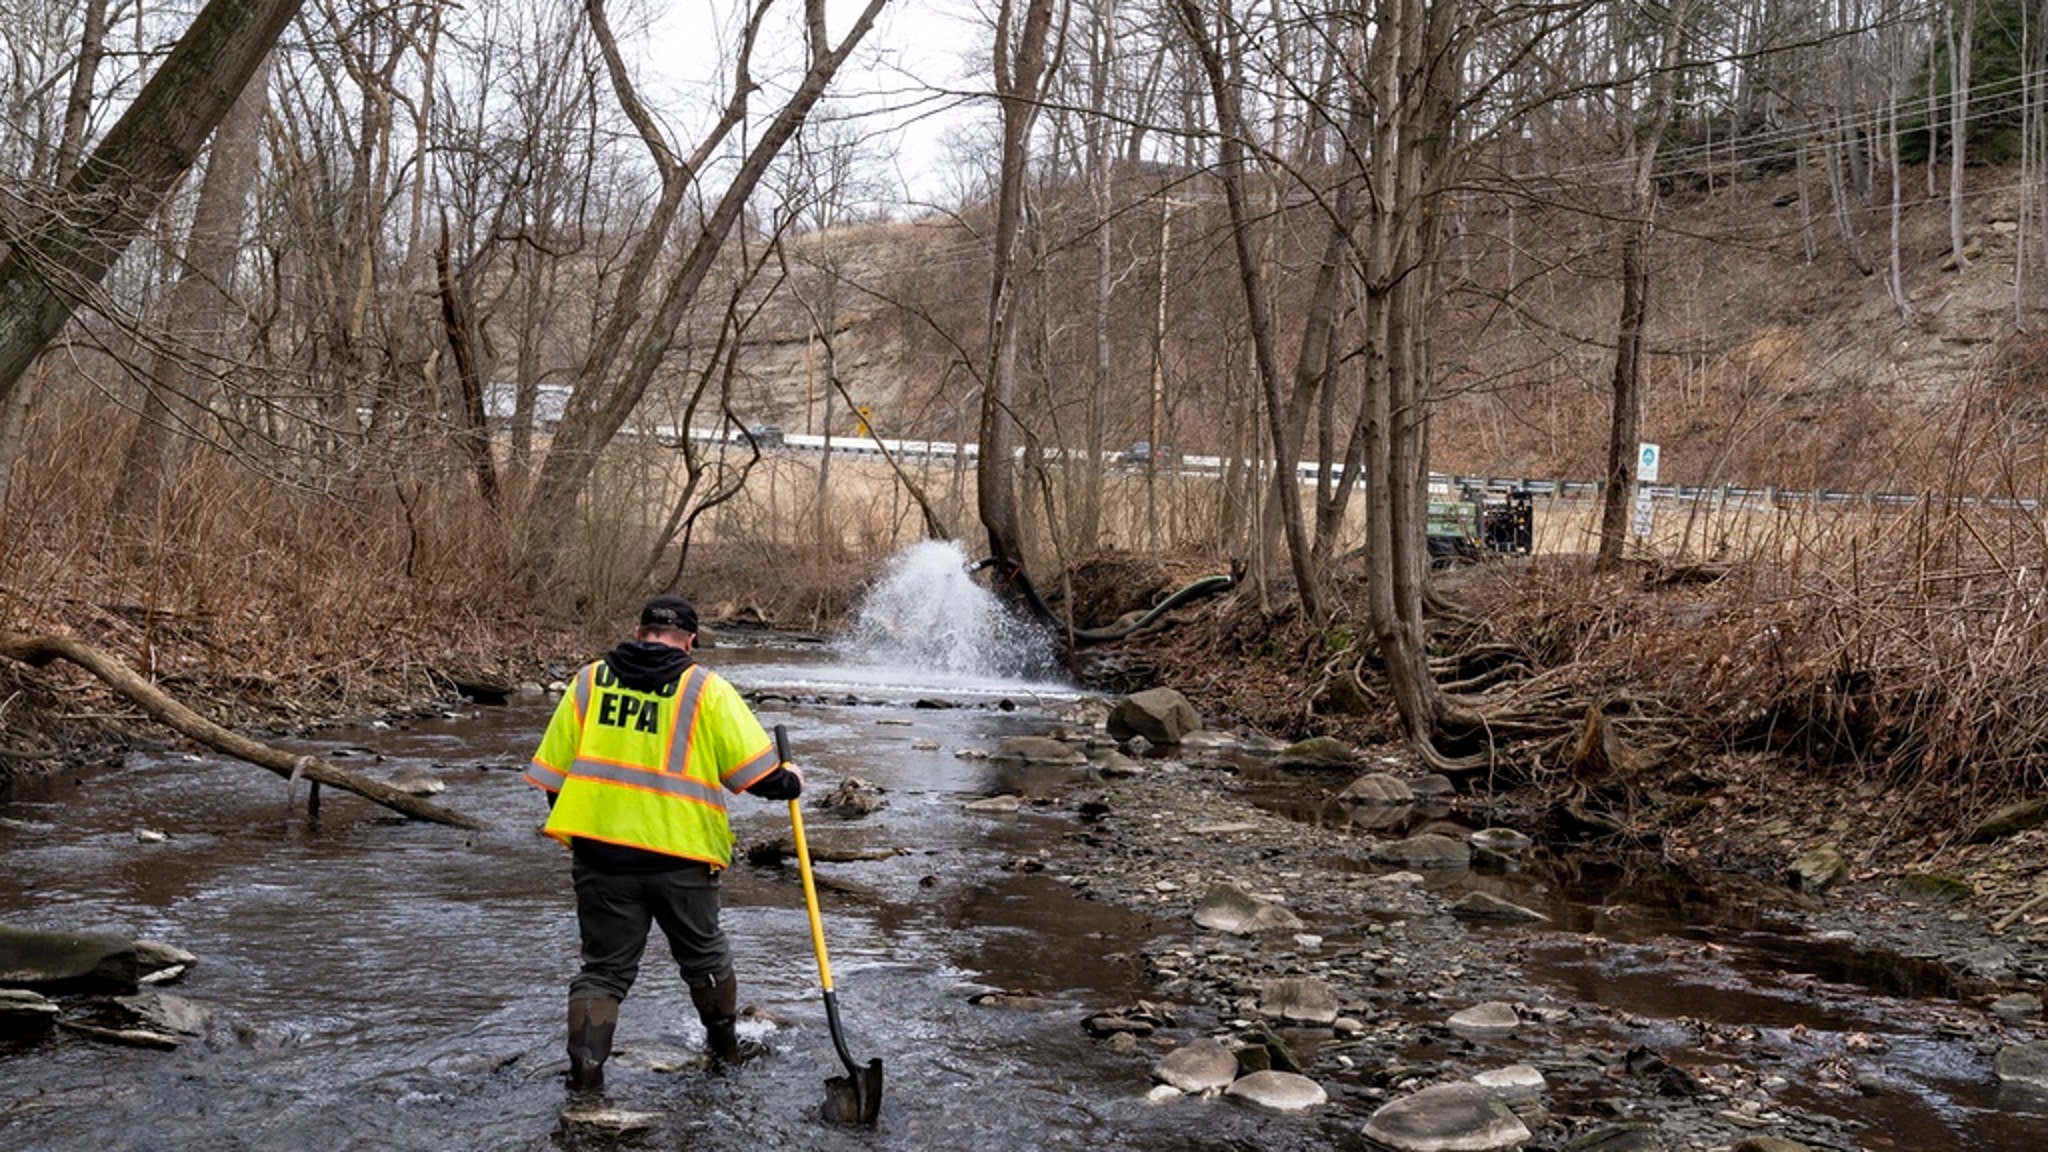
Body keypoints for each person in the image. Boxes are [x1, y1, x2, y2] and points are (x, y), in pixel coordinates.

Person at [525, 595, 802, 1090]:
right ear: (691, 641)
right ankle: (724, 1052)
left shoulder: (588, 681)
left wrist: (587, 839)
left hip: (601, 856)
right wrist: (792, 781)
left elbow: (551, 776)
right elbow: (758, 778)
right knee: (705, 959)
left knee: (603, 972)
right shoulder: (706, 689)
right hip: (682, 856)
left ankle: (586, 1082)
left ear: (639, 631)